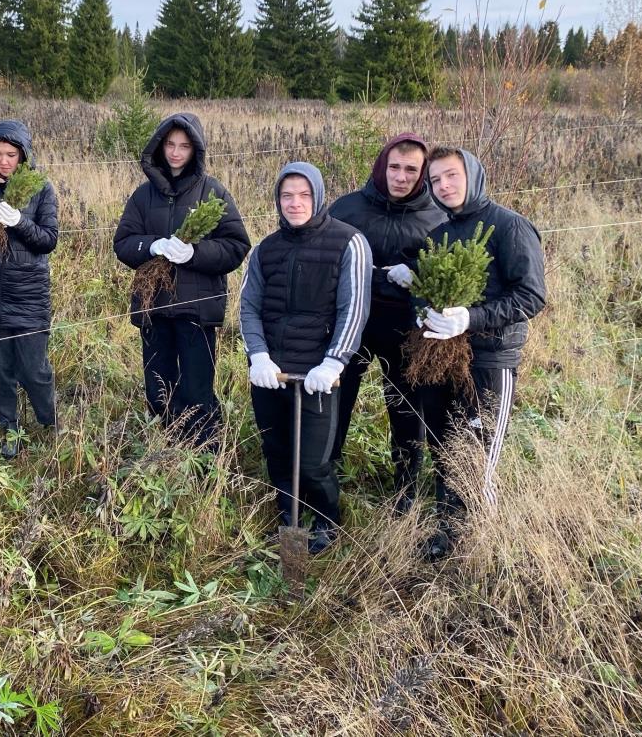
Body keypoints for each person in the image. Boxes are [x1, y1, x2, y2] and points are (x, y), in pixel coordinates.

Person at [407, 147, 546, 561]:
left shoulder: (510, 227)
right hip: (441, 357)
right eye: (435, 181)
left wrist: (471, 317)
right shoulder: (439, 235)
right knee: (445, 446)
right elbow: (423, 290)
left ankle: (484, 545)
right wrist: (423, 316)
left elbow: (530, 295)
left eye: (451, 176)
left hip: (489, 358)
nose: (443, 186)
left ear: (472, 175)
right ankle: (446, 535)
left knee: (479, 454)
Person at [240, 162, 371, 554]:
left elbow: (355, 309)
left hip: (318, 375)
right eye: (286, 195)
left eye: (304, 195)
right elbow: (248, 307)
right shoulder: (266, 249)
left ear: (318, 195)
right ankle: (288, 516)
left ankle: (327, 520)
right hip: (273, 374)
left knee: (314, 462)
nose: (295, 203)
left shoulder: (349, 242)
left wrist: (334, 362)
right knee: (277, 453)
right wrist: (258, 357)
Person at [113, 113, 249, 450]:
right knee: (158, 387)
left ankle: (204, 456)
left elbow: (236, 246)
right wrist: (151, 246)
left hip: (197, 312)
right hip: (153, 308)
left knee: (197, 390)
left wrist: (195, 253)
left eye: (184, 146)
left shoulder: (213, 192)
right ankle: (167, 451)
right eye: (170, 144)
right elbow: (123, 242)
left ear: (195, 149)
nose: (175, 152)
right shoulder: (143, 196)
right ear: (159, 146)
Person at [328, 133, 446, 509]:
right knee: (336, 398)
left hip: (407, 329)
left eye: (411, 169)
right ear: (382, 166)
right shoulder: (348, 209)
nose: (401, 176)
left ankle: (405, 488)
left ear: (423, 173)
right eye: (394, 167)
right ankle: (326, 472)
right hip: (353, 325)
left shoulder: (438, 217)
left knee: (407, 407)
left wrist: (417, 275)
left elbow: (449, 275)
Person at [0, 119, 59, 458]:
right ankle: (10, 430)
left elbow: (48, 241)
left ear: (23, 156)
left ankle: (50, 422)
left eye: (11, 155)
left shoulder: (42, 189)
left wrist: (18, 221)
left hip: (29, 296)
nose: (4, 161)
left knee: (34, 370)